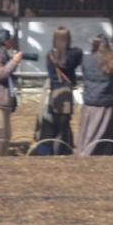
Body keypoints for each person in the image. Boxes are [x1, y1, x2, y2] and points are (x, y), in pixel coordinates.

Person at [38, 26, 83, 154]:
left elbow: (51, 76)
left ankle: (53, 151)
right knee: (63, 128)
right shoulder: (73, 55)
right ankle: (60, 152)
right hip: (66, 94)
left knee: (54, 127)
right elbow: (79, 53)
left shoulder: (49, 55)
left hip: (54, 94)